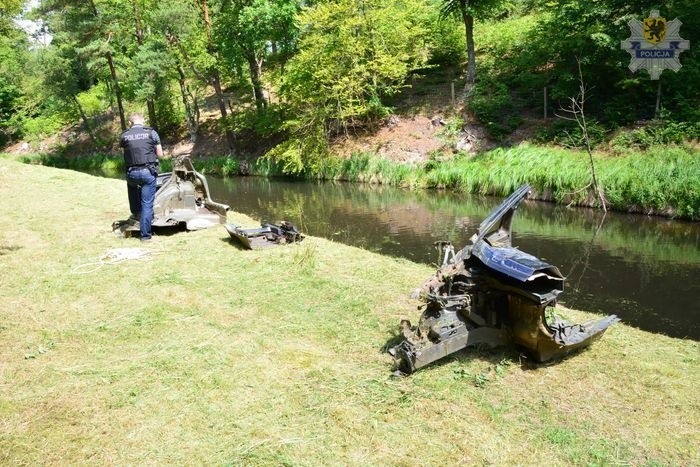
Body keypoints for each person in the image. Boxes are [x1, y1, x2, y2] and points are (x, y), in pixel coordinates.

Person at [119, 113, 164, 241]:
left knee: (132, 186)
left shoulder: (124, 135)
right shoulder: (152, 133)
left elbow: (124, 155)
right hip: (148, 172)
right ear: (142, 121)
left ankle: (135, 212)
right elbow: (160, 155)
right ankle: (145, 236)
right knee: (147, 204)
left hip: (132, 173)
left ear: (130, 123)